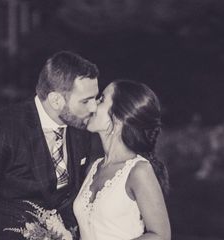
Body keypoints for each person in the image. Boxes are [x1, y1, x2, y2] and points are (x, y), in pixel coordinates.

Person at [0, 51, 101, 240]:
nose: (94, 108)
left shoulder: (81, 129)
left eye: (95, 98)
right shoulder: (2, 130)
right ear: (56, 100)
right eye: (85, 101)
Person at [73, 80, 171, 240]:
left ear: (119, 117)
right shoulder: (94, 166)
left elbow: (161, 236)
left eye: (101, 99)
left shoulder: (139, 171)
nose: (92, 105)